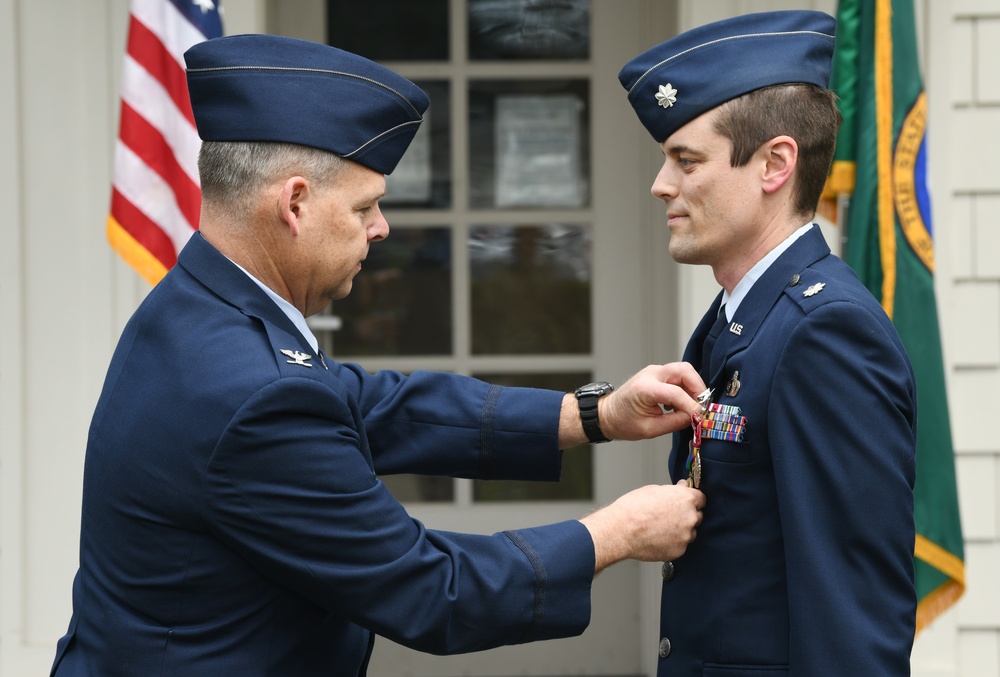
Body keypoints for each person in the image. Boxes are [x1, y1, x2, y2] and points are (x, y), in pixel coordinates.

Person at [50, 34, 708, 677]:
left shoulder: (195, 306)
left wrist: (595, 413)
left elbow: (377, 404)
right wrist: (618, 532)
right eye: (365, 206)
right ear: (296, 202)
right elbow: (432, 590)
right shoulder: (251, 389)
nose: (381, 228)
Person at [618, 10, 917, 676]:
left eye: (685, 160)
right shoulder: (737, 317)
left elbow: (851, 616)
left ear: (775, 164)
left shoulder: (825, 333)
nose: (660, 184)